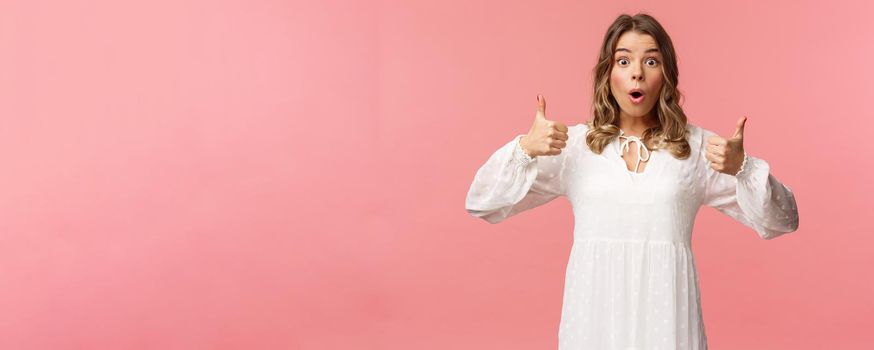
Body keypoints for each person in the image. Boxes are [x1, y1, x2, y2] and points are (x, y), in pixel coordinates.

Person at [464, 12, 799, 350]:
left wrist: (742, 167)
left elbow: (782, 221)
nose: (637, 71)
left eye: (651, 61)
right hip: (593, 326)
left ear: (666, 74)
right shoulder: (576, 147)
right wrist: (524, 149)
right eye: (623, 61)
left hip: (668, 326)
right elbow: (482, 203)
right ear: (607, 74)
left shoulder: (696, 149)